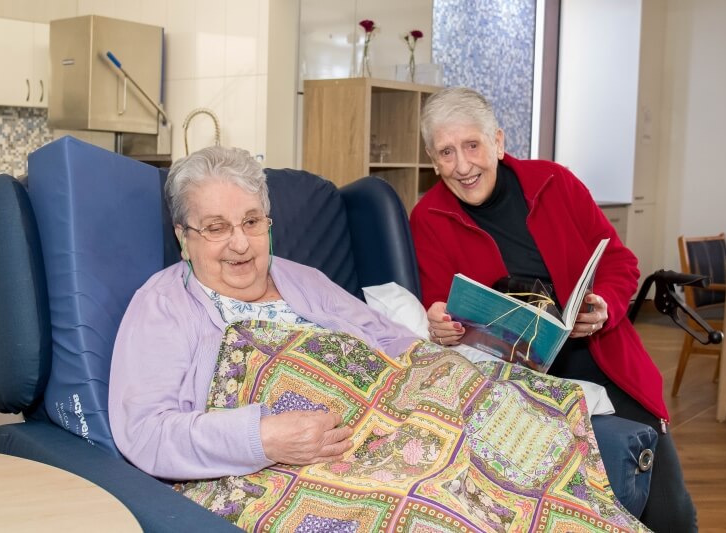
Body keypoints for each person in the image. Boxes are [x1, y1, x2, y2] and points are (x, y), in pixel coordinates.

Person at [108, 146, 647, 532]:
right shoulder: (162, 306)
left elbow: (389, 341)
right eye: (217, 227)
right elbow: (146, 433)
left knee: (522, 435)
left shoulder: (301, 277)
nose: (241, 244)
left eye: (252, 221)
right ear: (184, 238)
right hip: (289, 465)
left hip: (385, 429)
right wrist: (262, 438)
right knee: (433, 509)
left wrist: (452, 375)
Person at [409, 87, 696, 533]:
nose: (462, 166)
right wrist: (440, 324)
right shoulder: (428, 217)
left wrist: (604, 306)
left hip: (603, 362)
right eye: (446, 152)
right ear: (432, 160)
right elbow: (440, 305)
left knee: (672, 516)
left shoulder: (554, 182)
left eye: (472, 145)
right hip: (520, 383)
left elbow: (620, 262)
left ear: (498, 143)